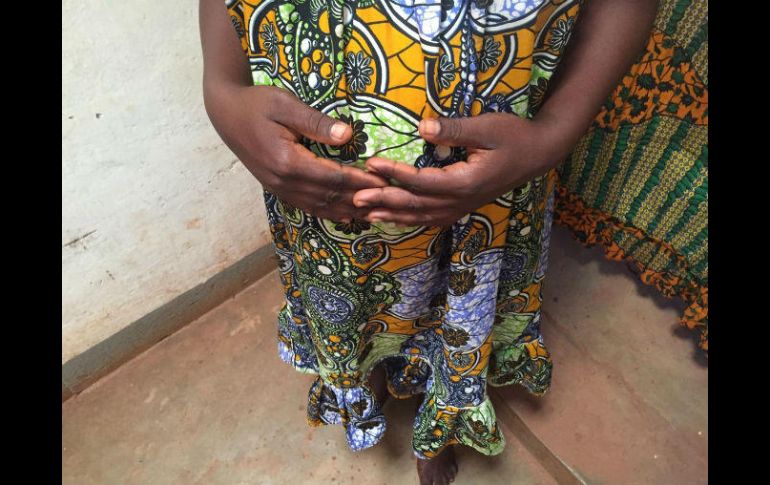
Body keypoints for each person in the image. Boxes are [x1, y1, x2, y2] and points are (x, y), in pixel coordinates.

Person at [199, 1, 658, 483]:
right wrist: (221, 88)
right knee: (349, 296)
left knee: (464, 305)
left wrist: (554, 134)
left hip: (495, 176)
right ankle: (367, 370)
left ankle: (444, 409)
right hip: (322, 186)